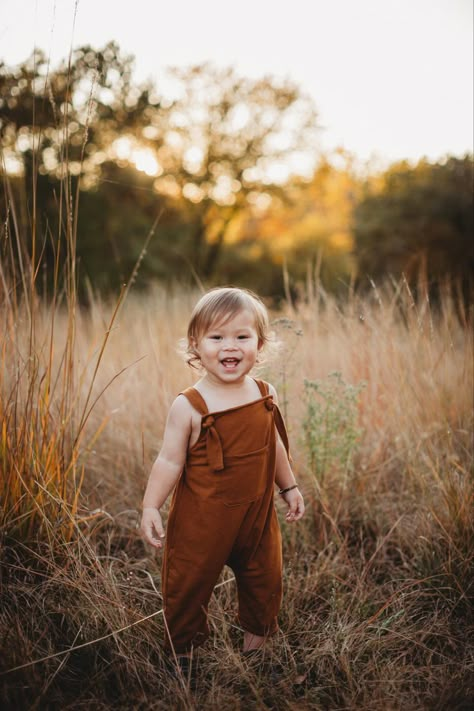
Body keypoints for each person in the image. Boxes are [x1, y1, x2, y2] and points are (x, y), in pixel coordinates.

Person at [140, 286, 305, 671]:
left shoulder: (265, 394)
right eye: (216, 337)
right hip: (203, 520)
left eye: (242, 337)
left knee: (265, 579)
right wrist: (151, 505)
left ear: (259, 345)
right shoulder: (189, 405)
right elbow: (168, 461)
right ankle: (185, 654)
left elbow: (274, 446)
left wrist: (290, 485)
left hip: (257, 518)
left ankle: (257, 650)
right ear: (196, 345)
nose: (229, 347)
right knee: (189, 582)